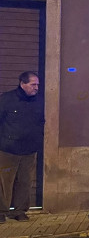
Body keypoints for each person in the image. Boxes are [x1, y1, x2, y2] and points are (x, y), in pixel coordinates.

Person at [0, 71, 44, 223]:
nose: (36, 87)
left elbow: (41, 122)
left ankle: (19, 211)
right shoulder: (6, 99)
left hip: (29, 150)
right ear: (22, 84)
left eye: (37, 84)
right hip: (8, 149)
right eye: (33, 84)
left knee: (25, 182)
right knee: (4, 182)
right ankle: (1, 212)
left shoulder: (38, 101)